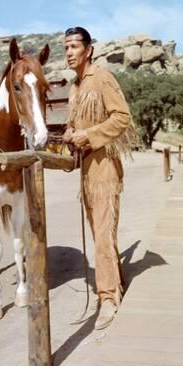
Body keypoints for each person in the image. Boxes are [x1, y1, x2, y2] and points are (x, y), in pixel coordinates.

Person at [62, 27, 137, 329]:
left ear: (88, 49)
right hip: (86, 173)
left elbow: (122, 117)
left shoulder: (102, 78)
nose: (68, 52)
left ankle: (108, 298)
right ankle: (114, 284)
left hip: (105, 169)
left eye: (74, 46)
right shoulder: (75, 87)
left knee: (104, 236)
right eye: (65, 47)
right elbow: (73, 126)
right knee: (99, 234)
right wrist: (69, 135)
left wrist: (88, 136)